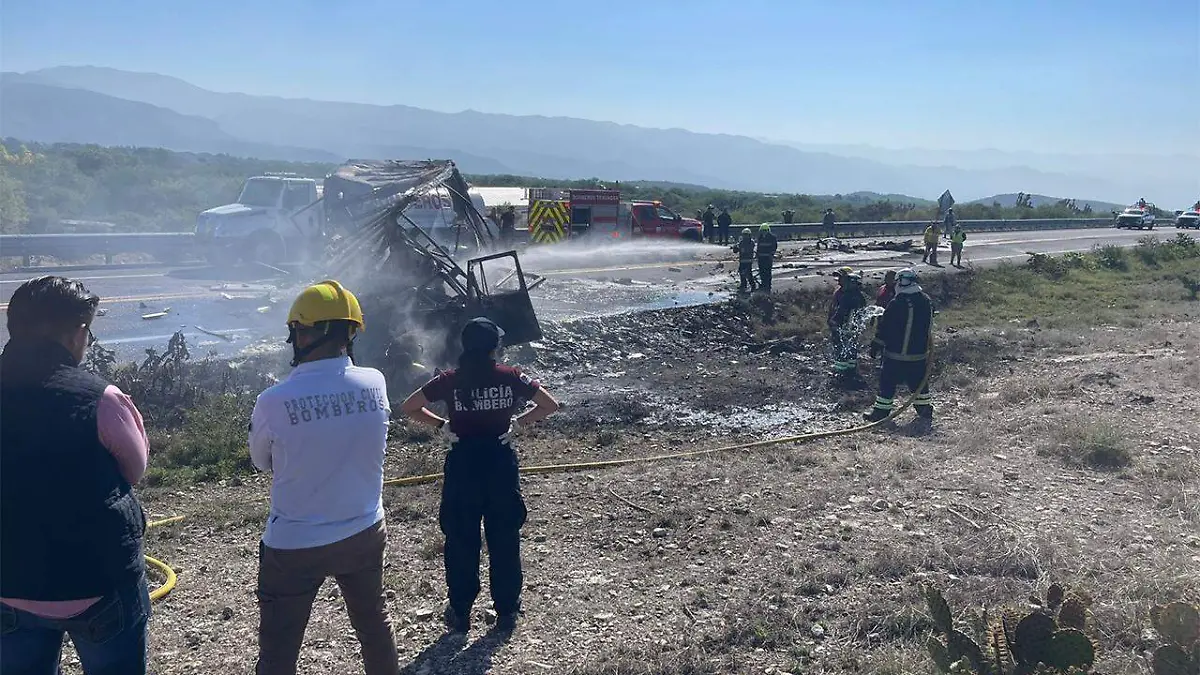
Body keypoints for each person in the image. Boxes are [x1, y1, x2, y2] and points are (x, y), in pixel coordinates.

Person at [1, 276, 152, 675]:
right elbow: (135, 470)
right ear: (76, 332)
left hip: (9, 583)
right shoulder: (102, 398)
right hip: (99, 582)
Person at [249, 280, 400, 675]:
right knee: (373, 625)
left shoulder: (273, 400)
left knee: (279, 649)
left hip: (294, 545)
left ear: (303, 332)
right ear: (350, 333)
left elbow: (261, 463)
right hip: (364, 531)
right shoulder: (376, 382)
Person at [401, 318, 559, 635]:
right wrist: (519, 422)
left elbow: (410, 406)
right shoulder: (511, 376)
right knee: (504, 536)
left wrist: (440, 426)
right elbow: (549, 404)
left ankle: (460, 610)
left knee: (461, 538)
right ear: (494, 347)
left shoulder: (450, 379)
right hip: (499, 462)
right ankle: (506, 610)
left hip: (463, 465)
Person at [864, 268, 934, 422]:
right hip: (918, 355)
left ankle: (881, 413)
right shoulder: (926, 300)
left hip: (895, 354)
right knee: (919, 384)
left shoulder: (897, 303)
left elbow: (886, 326)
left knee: (887, 383)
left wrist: (876, 343)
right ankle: (925, 410)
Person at [829, 269, 866, 375]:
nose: (839, 280)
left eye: (842, 278)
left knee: (841, 350)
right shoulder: (858, 295)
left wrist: (833, 322)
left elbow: (840, 312)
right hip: (852, 329)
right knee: (850, 349)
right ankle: (850, 370)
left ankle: (841, 372)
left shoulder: (848, 296)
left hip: (843, 328)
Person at [733, 228, 757, 293]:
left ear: (749, 235)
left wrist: (741, 248)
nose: (745, 236)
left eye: (746, 235)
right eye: (744, 235)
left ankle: (753, 285)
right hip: (742, 261)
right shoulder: (741, 242)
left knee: (748, 274)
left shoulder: (751, 242)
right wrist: (735, 247)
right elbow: (736, 251)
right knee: (741, 273)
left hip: (748, 261)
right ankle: (743, 285)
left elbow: (747, 250)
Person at [756, 223, 778, 292]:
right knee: (762, 271)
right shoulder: (760, 237)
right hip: (761, 257)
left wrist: (771, 254)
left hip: (768, 258)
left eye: (765, 230)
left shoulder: (772, 237)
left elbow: (774, 247)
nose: (764, 232)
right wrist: (757, 255)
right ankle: (763, 284)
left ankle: (768, 285)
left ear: (768, 230)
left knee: (767, 271)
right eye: (763, 230)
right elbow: (758, 247)